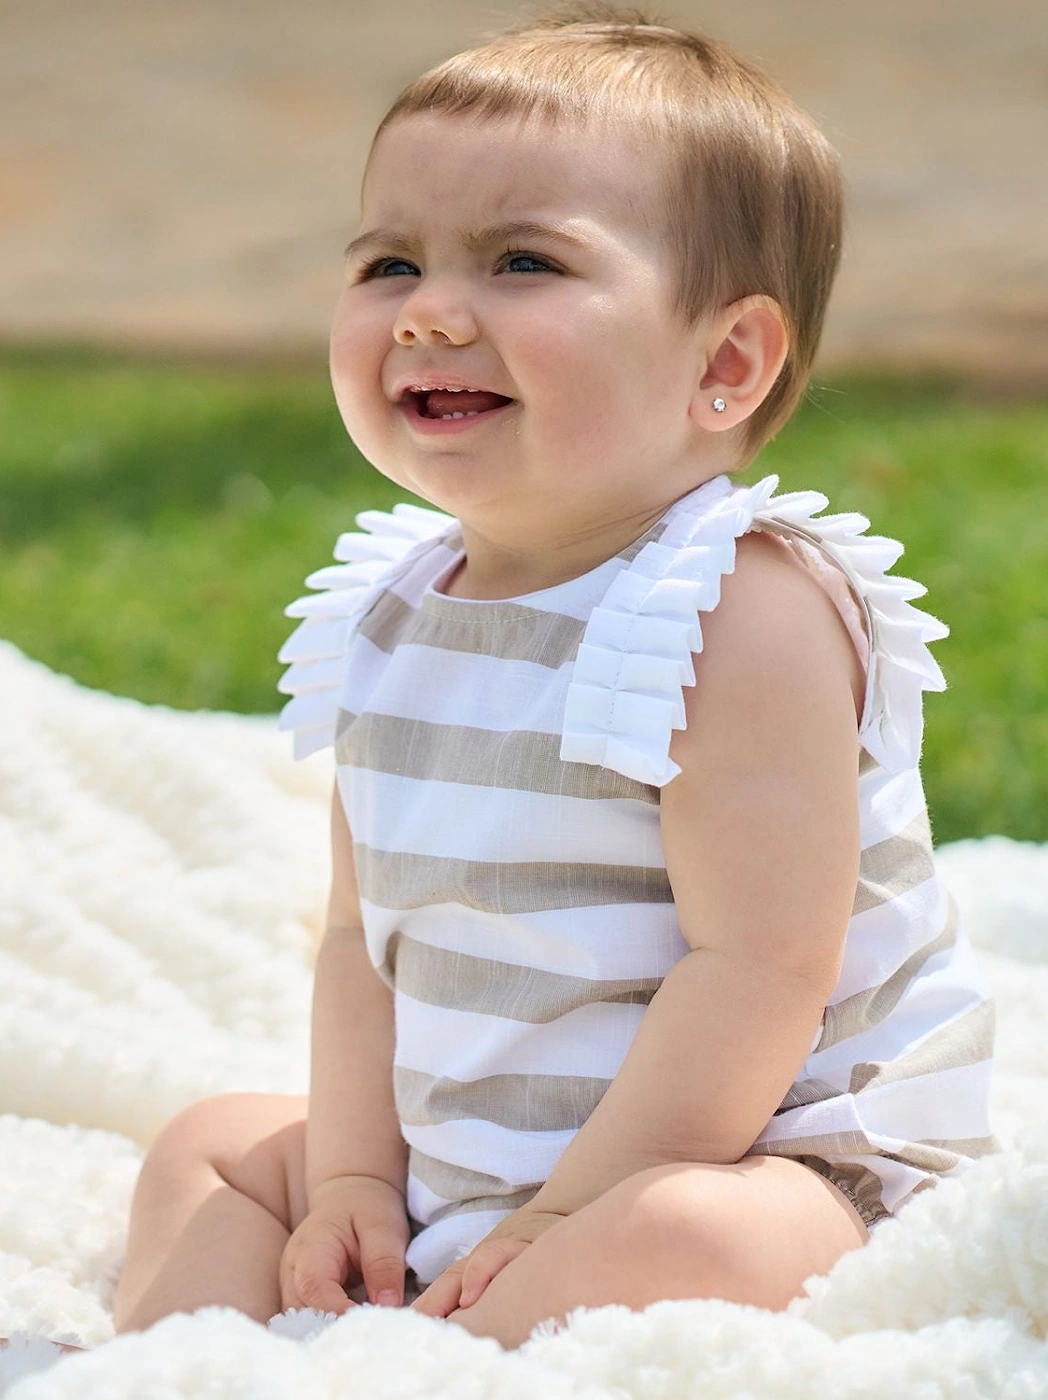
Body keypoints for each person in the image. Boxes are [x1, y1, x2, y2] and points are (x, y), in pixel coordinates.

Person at [110, 1, 1002, 1351]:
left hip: (763, 1160)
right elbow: (365, 940)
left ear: (725, 362)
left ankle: (429, 1367)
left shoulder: (731, 606)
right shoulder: (388, 614)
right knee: (212, 1148)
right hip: (473, 1161)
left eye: (522, 261)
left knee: (679, 1241)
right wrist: (354, 1179)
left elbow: (759, 971)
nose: (430, 314)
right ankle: (188, 1369)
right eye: (389, 264)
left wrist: (565, 1218)